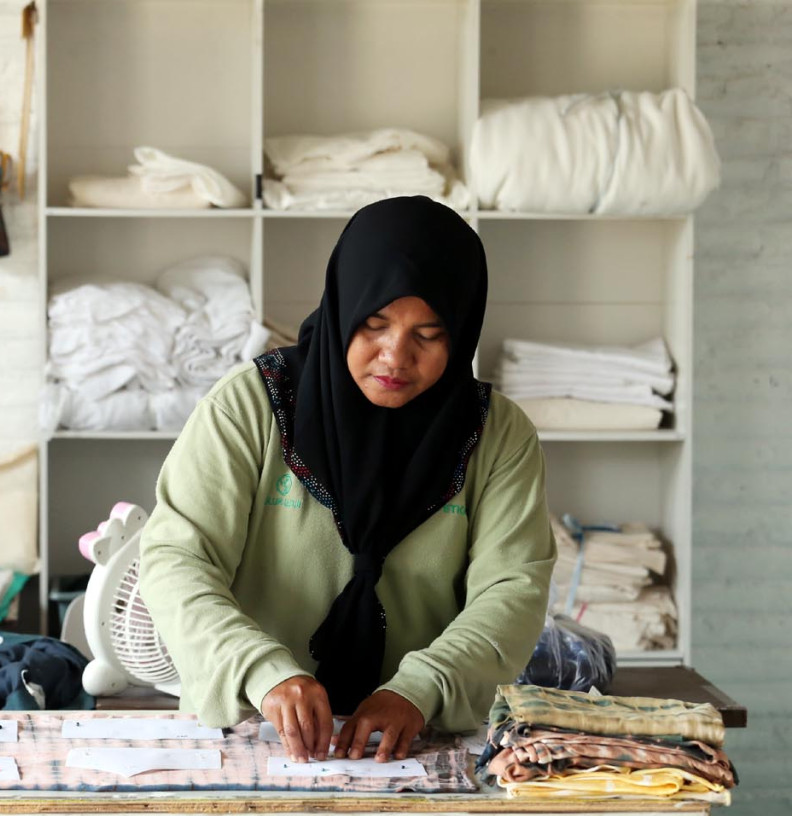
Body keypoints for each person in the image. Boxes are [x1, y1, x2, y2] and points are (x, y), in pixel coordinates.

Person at [140, 196, 556, 768]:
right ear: (342, 308)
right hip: (251, 735)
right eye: (374, 323)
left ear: (461, 334)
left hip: (414, 748)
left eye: (429, 335)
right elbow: (175, 560)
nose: (395, 356)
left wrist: (419, 688)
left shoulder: (497, 435)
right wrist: (262, 671)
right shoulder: (251, 407)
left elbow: (513, 589)